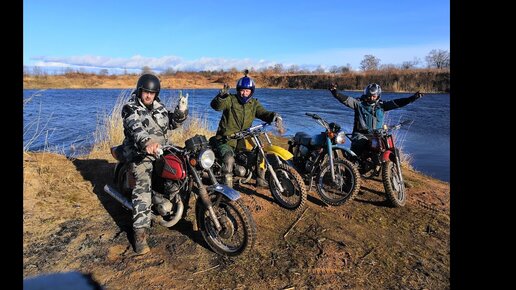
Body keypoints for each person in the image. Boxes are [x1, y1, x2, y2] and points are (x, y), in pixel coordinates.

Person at [121, 73, 188, 255]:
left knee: (183, 168)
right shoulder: (130, 108)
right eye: (145, 92)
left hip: (161, 151)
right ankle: (139, 235)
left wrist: (181, 112)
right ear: (140, 91)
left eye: (152, 93)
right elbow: (136, 129)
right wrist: (146, 143)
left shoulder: (159, 107)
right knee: (143, 187)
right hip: (138, 153)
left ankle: (175, 206)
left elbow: (172, 123)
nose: (148, 96)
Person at [210, 70, 282, 188]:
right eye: (242, 90)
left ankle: (260, 179)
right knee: (228, 159)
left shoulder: (254, 103)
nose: (244, 93)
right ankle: (227, 189)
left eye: (247, 91)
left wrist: (274, 116)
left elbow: (263, 113)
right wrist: (221, 97)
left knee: (260, 151)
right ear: (238, 90)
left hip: (243, 138)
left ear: (251, 91)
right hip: (226, 138)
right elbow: (216, 106)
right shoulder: (231, 100)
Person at [329, 82, 423, 157]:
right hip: (361, 134)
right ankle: (349, 173)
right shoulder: (358, 103)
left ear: (378, 95)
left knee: (389, 148)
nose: (371, 98)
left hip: (377, 135)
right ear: (366, 94)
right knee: (356, 152)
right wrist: (335, 92)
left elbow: (398, 102)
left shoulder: (382, 105)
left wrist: (412, 98)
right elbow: (345, 99)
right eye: (369, 95)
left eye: (374, 96)